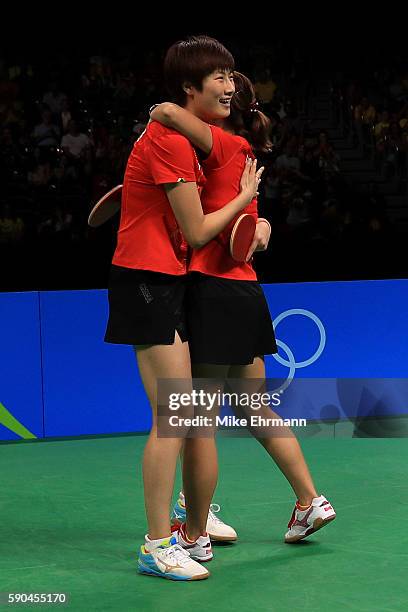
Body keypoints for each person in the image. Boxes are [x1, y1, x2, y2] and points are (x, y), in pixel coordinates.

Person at [150, 67, 336, 551]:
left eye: (229, 87)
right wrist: (265, 220)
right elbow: (248, 222)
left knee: (198, 420)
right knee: (253, 405)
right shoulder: (245, 156)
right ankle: (309, 501)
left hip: (210, 292)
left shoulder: (222, 145)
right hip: (247, 294)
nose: (224, 92)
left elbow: (169, 111)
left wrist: (162, 111)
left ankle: (193, 530)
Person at [104, 36, 263, 581]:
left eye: (231, 73)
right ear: (188, 89)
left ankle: (180, 517)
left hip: (166, 279)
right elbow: (196, 229)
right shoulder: (171, 142)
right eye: (216, 77)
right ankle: (155, 544)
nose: (229, 84)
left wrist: (254, 227)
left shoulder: (184, 139)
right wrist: (245, 202)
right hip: (147, 279)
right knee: (175, 417)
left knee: (188, 414)